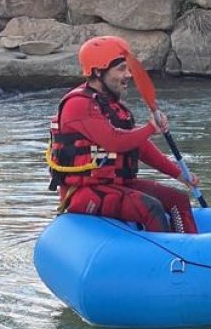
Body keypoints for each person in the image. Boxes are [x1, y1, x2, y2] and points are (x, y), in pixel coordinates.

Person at [47, 35, 200, 233]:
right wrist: (151, 128)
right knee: (151, 207)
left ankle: (190, 250)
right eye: (121, 69)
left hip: (115, 184)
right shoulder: (78, 105)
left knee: (177, 199)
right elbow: (113, 142)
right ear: (97, 72)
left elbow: (139, 146)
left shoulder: (110, 104)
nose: (128, 74)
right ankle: (162, 259)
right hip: (83, 193)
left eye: (127, 68)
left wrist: (179, 174)